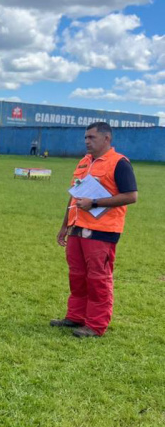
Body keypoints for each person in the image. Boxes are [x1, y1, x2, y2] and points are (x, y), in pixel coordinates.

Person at [52, 122, 138, 337]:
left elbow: (131, 196)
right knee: (77, 275)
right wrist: (65, 225)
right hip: (77, 227)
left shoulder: (119, 163)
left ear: (106, 138)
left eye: (91, 137)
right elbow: (74, 195)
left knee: (98, 278)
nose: (87, 141)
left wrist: (96, 202)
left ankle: (95, 325)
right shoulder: (84, 162)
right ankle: (75, 317)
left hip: (102, 231)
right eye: (85, 138)